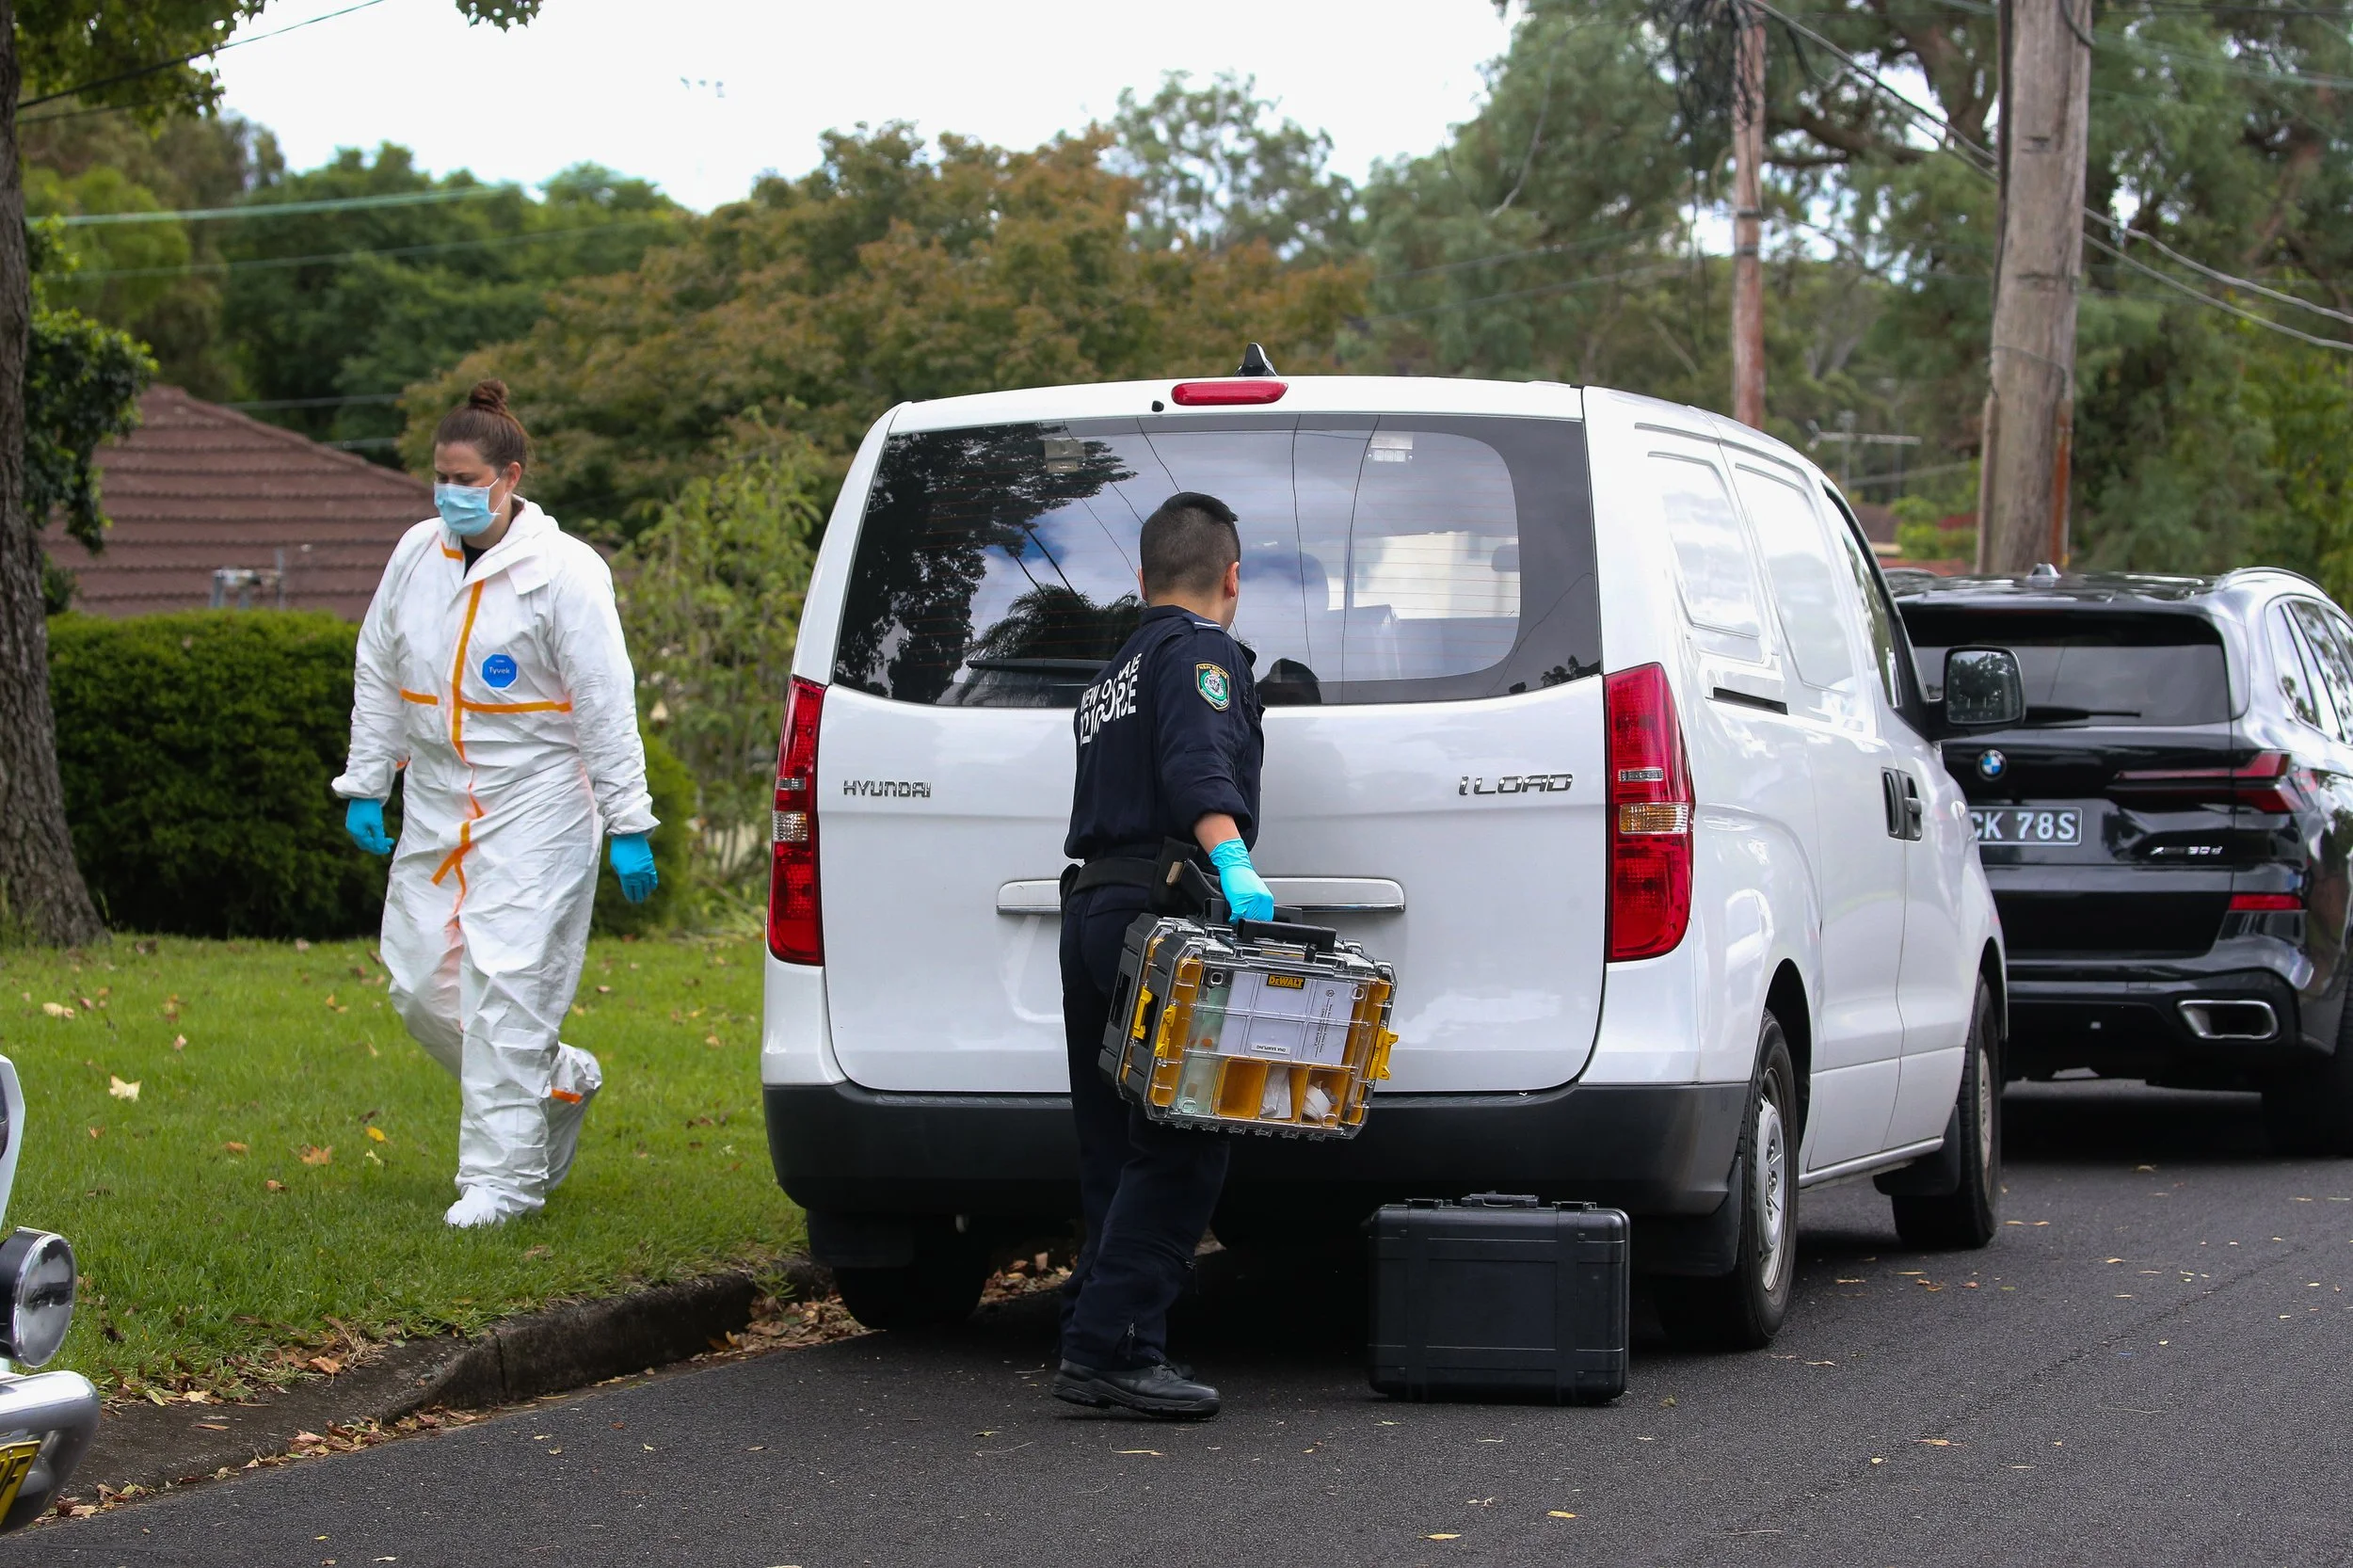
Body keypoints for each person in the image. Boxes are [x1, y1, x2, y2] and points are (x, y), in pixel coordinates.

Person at [333, 379, 661, 1229]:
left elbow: (603, 701)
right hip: (440, 797)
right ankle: (556, 1080)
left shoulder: (565, 572)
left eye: (465, 478)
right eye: (439, 475)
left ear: (508, 477)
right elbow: (379, 666)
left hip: (540, 801)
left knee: (506, 981)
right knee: (416, 979)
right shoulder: (415, 555)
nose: (448, 493)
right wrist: (370, 779)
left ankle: (502, 1184)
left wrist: (628, 821)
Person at [1052, 491, 1275, 1420]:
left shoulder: (1118, 667)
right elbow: (1194, 767)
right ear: (1232, 577)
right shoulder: (1200, 654)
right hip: (1158, 915)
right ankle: (1106, 1344)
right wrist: (1233, 863)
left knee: (1117, 1143)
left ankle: (1117, 1338)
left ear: (1140, 580)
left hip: (1095, 910)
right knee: (1184, 1141)